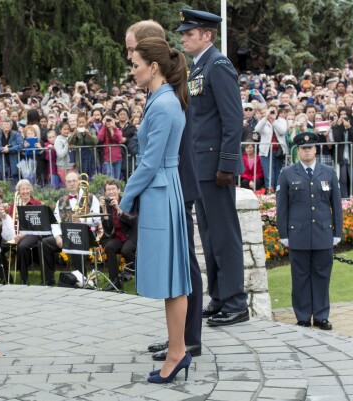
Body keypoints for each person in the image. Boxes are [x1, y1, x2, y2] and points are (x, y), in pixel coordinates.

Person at [126, 19, 203, 362]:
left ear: (152, 65)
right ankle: (177, 349)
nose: (132, 69)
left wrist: (126, 199)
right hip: (166, 189)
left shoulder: (164, 102)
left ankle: (180, 350)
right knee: (174, 280)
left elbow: (151, 162)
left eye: (135, 62)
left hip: (165, 190)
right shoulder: (164, 98)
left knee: (177, 278)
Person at [177, 9, 249, 326]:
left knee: (224, 235)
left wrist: (227, 165)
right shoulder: (199, 67)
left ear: (207, 35)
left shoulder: (217, 65)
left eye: (189, 33)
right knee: (209, 236)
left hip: (215, 167)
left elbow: (233, 121)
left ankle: (236, 302)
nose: (183, 38)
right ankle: (220, 296)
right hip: (201, 165)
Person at [276, 132, 343, 330]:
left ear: (315, 149)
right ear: (298, 151)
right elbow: (282, 207)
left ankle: (321, 316)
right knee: (300, 276)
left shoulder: (328, 172)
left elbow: (336, 205)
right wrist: (284, 234)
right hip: (298, 234)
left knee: (322, 276)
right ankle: (303, 316)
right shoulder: (287, 173)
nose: (307, 151)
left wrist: (337, 231)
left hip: (323, 233)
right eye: (303, 148)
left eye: (310, 148)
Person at [41, 171, 100, 286]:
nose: (72, 183)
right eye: (69, 181)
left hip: (85, 235)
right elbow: (55, 222)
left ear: (79, 181)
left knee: (75, 242)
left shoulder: (92, 198)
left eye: (74, 181)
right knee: (44, 243)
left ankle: (81, 279)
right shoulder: (61, 201)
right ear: (65, 184)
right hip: (66, 235)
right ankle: (48, 280)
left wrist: (82, 220)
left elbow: (97, 218)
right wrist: (58, 237)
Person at [99, 179, 136, 291]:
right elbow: (108, 229)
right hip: (118, 236)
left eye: (113, 189)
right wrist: (104, 209)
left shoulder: (127, 201)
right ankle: (114, 281)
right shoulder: (106, 205)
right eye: (108, 190)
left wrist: (118, 208)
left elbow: (132, 222)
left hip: (131, 234)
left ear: (119, 190)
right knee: (109, 247)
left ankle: (143, 272)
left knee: (126, 251)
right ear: (105, 192)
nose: (111, 192)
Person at [8, 179, 42, 285]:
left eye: (27, 188)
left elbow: (38, 224)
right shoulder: (14, 205)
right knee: (2, 244)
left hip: (33, 233)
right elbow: (10, 221)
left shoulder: (37, 203)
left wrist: (22, 234)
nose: (25, 191)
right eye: (23, 189)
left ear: (30, 190)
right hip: (17, 233)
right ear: (19, 191)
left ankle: (24, 278)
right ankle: (4, 276)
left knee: (22, 246)